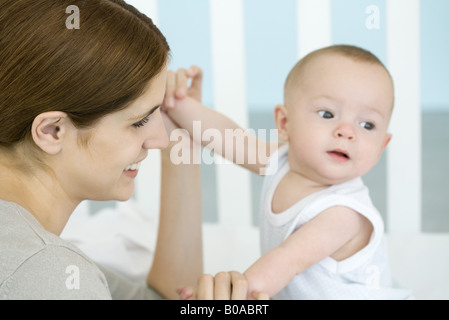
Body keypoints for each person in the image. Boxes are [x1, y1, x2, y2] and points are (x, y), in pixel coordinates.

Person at [0, 0, 259, 300]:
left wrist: (181, 144)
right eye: (139, 121)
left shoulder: (41, 260)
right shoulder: (44, 268)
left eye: (158, 112)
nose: (160, 139)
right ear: (52, 131)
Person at [165, 45, 412, 299]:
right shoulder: (282, 160)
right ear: (284, 124)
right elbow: (231, 140)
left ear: (382, 145)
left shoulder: (344, 213)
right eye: (327, 114)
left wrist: (224, 296)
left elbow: (285, 261)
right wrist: (177, 106)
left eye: (367, 124)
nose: (347, 131)